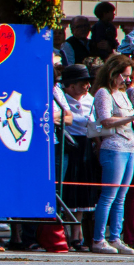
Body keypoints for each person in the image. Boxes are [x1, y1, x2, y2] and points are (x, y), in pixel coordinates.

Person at [89, 55, 134, 254]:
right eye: (124, 76)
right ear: (113, 73)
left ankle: (115, 237)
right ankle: (98, 239)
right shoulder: (103, 93)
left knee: (121, 197)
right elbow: (105, 120)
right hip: (113, 147)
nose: (127, 80)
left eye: (129, 76)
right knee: (108, 195)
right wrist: (131, 118)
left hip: (129, 147)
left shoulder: (123, 94)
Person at [55, 63, 98, 250]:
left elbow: (94, 122)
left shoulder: (90, 99)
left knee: (82, 191)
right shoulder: (61, 98)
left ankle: (77, 234)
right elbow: (69, 118)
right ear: (70, 85)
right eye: (83, 83)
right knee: (68, 189)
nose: (87, 87)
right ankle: (63, 232)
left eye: (88, 83)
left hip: (86, 144)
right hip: (68, 144)